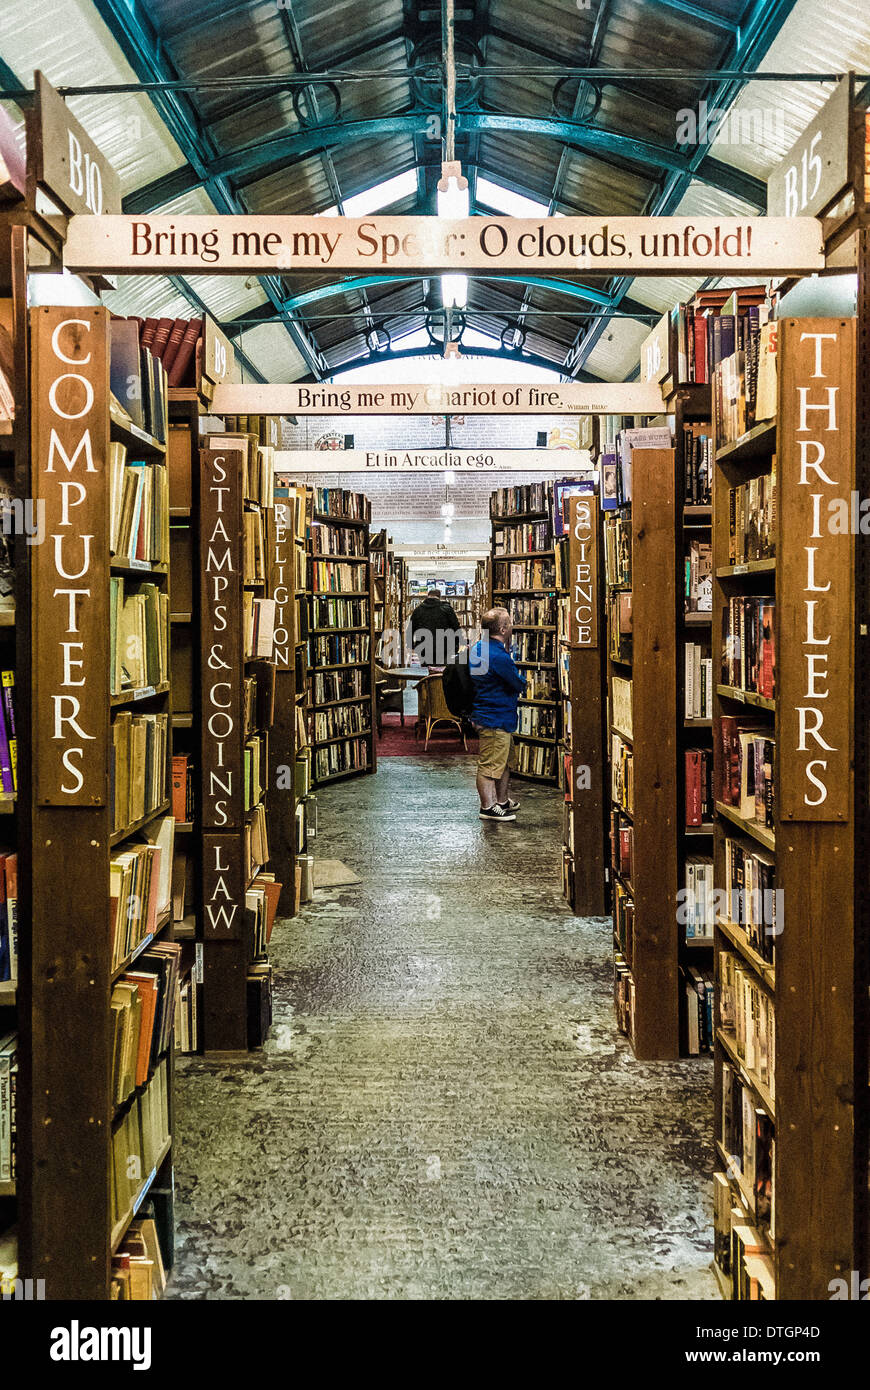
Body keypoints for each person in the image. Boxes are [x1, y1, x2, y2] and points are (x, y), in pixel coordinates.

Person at [468, 606, 526, 821]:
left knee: (503, 763)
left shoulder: (479, 648)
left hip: (490, 714)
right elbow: (517, 683)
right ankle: (488, 807)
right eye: (509, 623)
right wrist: (524, 682)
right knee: (490, 765)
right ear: (502, 629)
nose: (512, 626)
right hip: (495, 717)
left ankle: (501, 801)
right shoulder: (498, 656)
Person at [409, 588, 461, 668]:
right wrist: (456, 647)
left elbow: (410, 630)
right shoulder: (447, 609)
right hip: (444, 648)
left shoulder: (418, 610)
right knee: (442, 674)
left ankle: (427, 680)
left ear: (427, 596)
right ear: (439, 597)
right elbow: (456, 629)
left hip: (424, 648)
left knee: (425, 673)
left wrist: (412, 647)